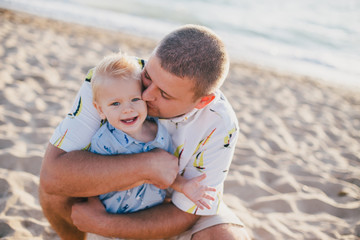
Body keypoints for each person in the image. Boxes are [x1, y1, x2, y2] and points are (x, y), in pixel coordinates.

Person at [39, 24, 251, 240]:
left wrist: (105, 224)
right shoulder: (112, 79)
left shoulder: (220, 124)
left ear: (202, 101)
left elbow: (185, 213)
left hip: (171, 202)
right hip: (108, 195)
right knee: (57, 193)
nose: (147, 95)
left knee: (226, 237)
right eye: (148, 76)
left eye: (165, 94)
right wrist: (146, 165)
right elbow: (51, 177)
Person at [89, 52, 216, 214]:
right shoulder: (104, 141)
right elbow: (94, 180)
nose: (128, 109)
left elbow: (167, 174)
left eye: (135, 99)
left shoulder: (160, 135)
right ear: (100, 110)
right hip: (111, 214)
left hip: (148, 215)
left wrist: (184, 186)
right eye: (115, 103)